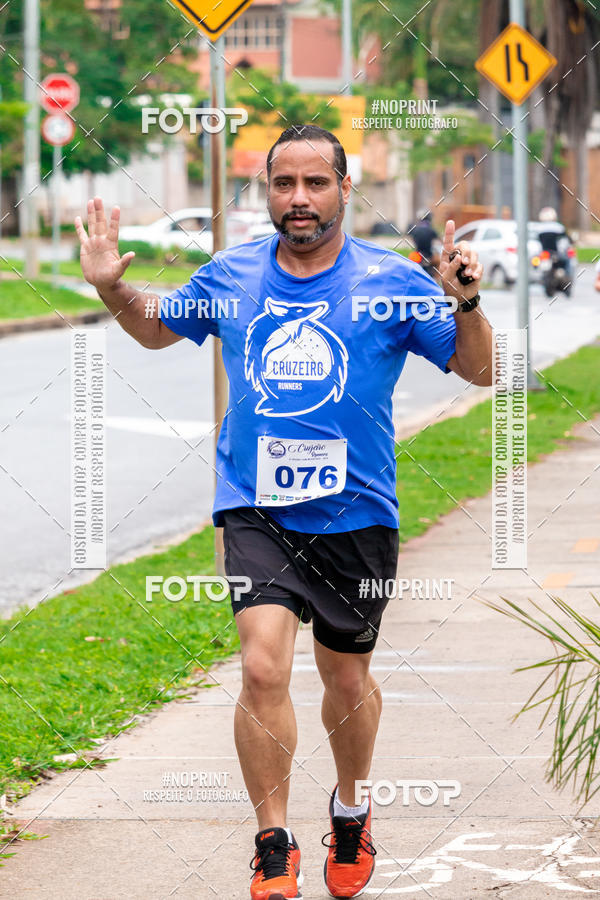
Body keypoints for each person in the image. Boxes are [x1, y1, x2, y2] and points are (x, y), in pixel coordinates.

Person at [75, 124, 493, 900]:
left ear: (343, 189)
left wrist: (467, 303)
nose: (298, 200)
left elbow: (479, 371)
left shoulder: (391, 281)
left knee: (346, 678)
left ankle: (352, 807)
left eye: (315, 184)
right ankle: (273, 841)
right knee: (263, 665)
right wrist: (112, 288)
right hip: (255, 506)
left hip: (358, 514)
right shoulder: (231, 275)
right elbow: (156, 330)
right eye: (283, 185)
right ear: (267, 191)